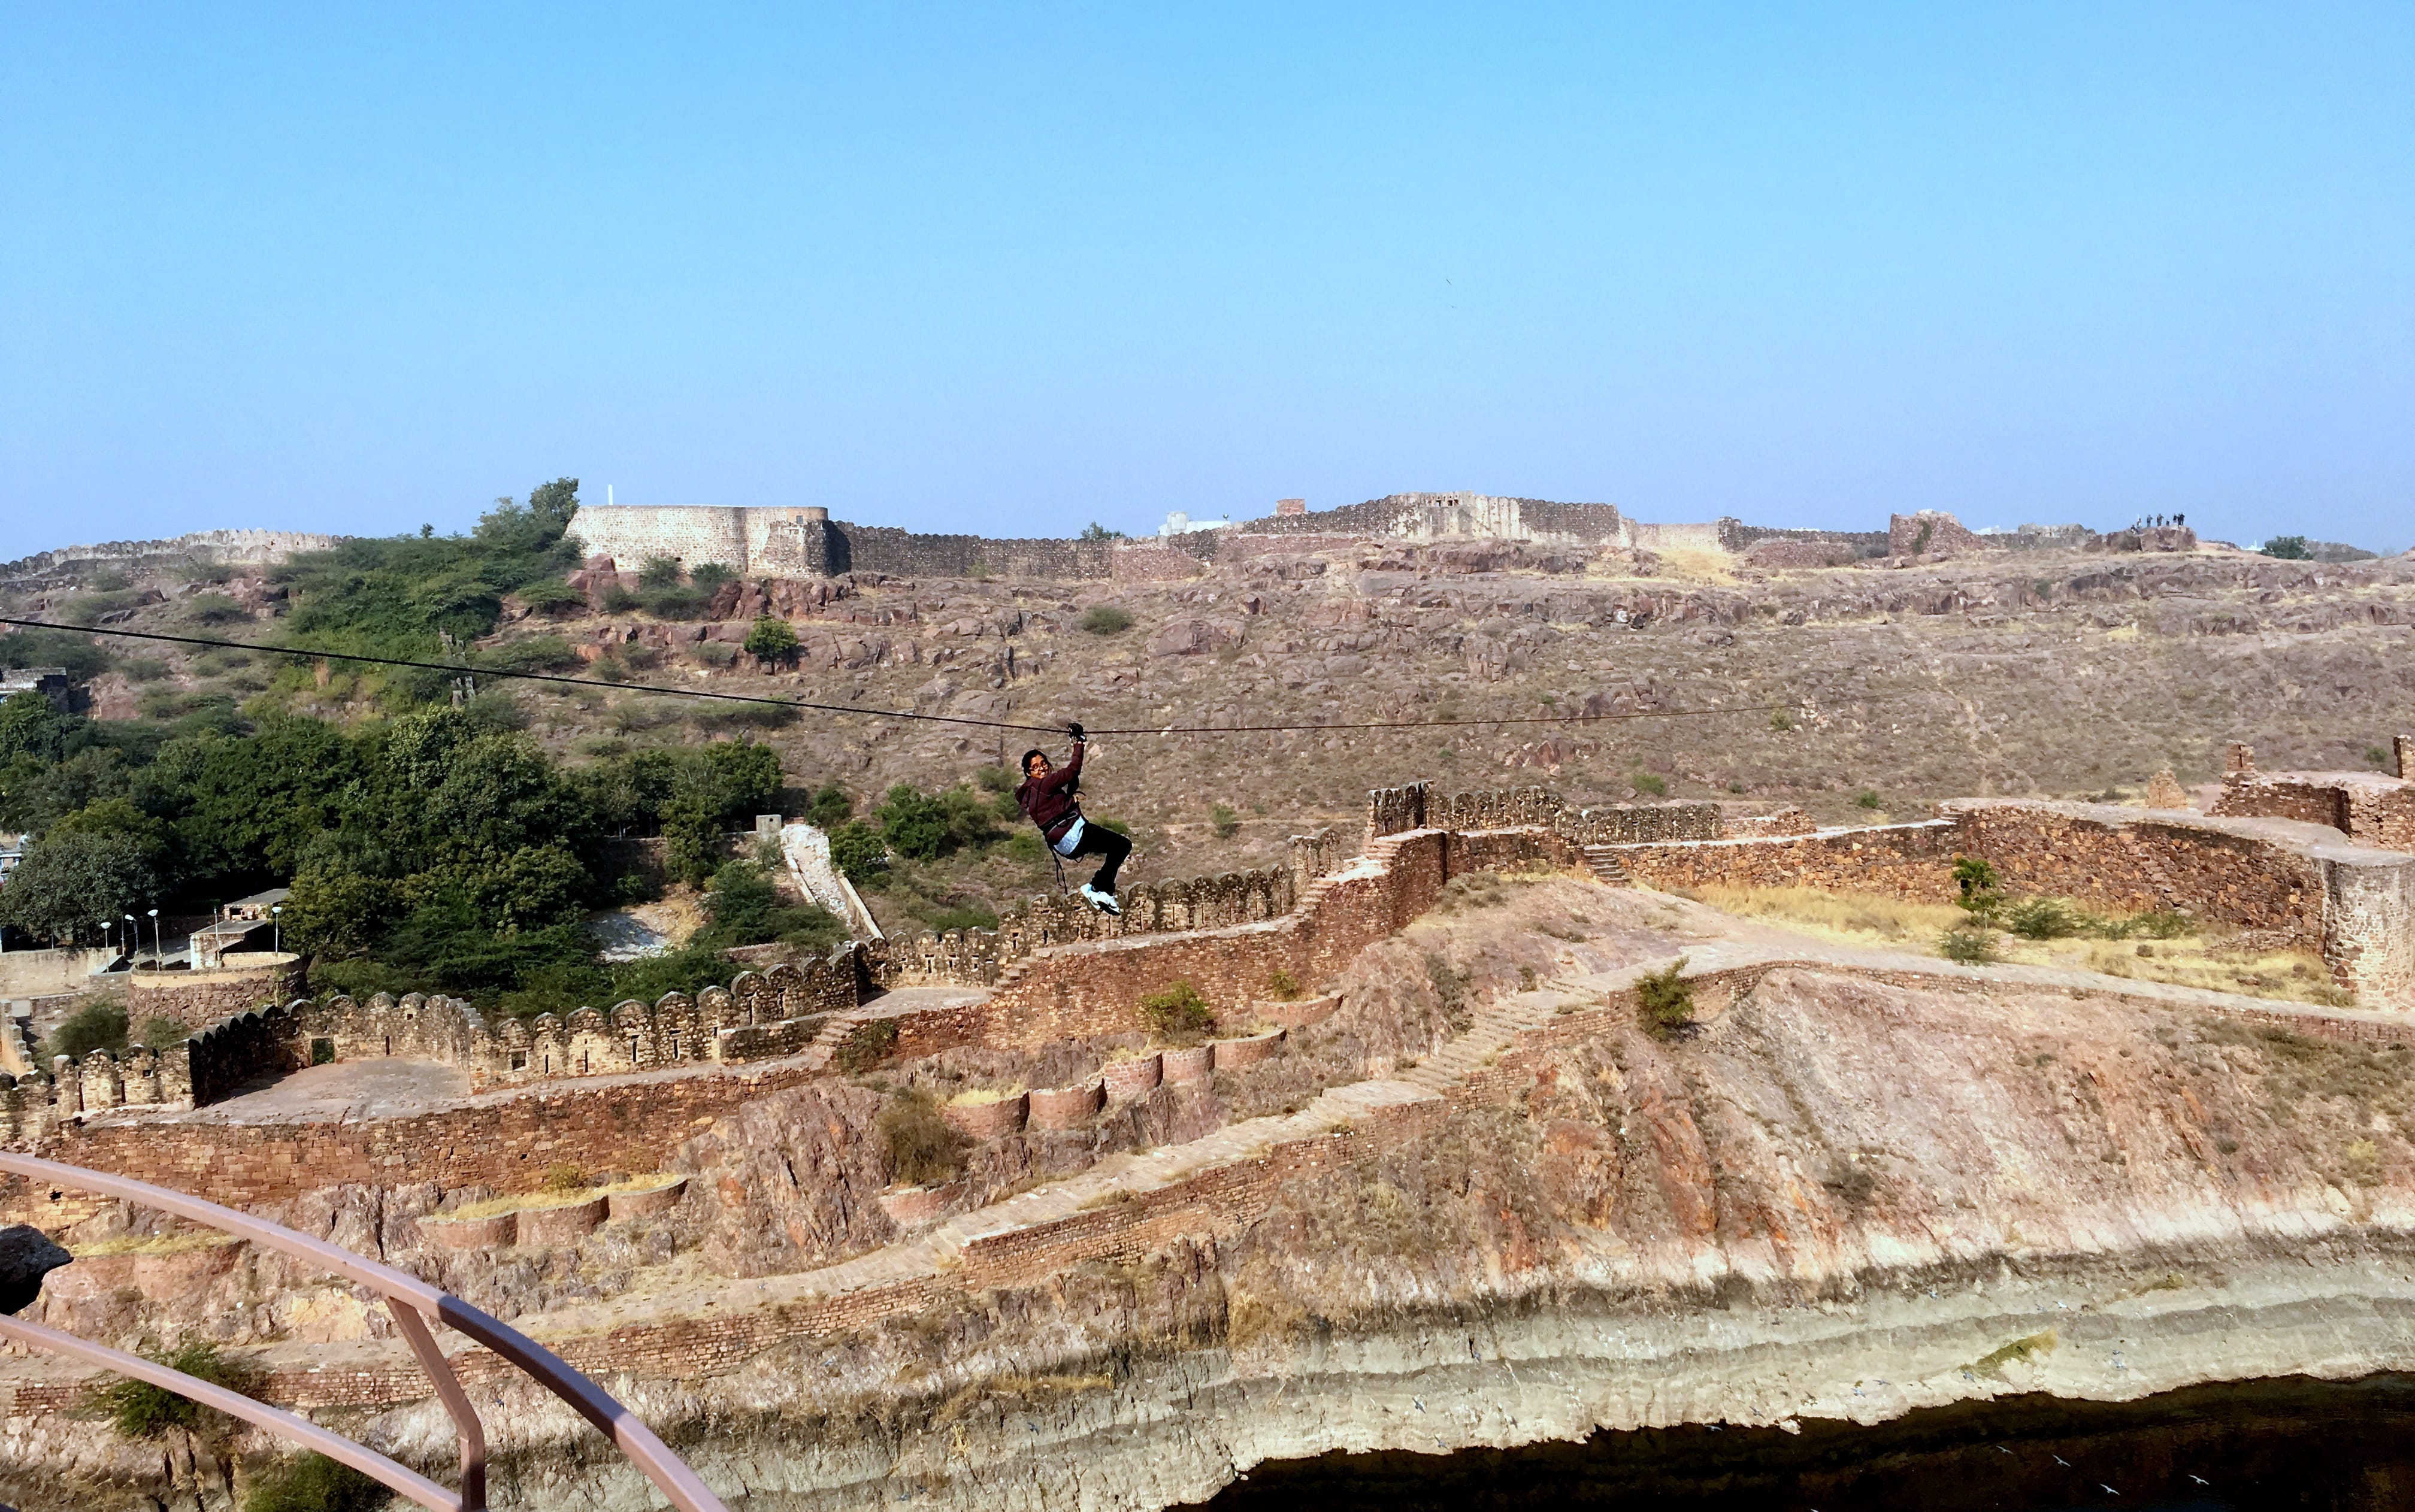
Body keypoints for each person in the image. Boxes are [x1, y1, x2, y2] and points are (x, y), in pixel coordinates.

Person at [1015, 723, 1128, 914]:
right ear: (1029, 773)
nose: (1042, 768)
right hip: (1074, 834)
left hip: (1063, 845)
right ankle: (1098, 890)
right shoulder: (1044, 784)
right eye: (1035, 767)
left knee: (1115, 848)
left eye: (1043, 763)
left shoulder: (1031, 794)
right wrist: (1079, 742)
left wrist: (1071, 799)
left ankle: (1100, 889)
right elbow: (1073, 770)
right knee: (1123, 845)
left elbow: (1057, 805)